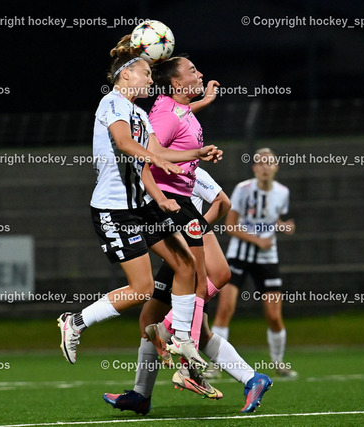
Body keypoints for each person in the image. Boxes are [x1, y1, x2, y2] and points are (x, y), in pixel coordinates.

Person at [59, 36, 220, 368]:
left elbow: (152, 157)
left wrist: (187, 163)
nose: (150, 79)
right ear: (126, 75)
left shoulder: (140, 115)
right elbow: (123, 142)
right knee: (142, 288)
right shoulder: (113, 103)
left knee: (186, 264)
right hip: (115, 210)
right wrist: (156, 160)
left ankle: (184, 341)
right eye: (146, 73)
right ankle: (75, 322)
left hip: (143, 207)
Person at [103, 167, 273, 415]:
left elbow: (223, 202)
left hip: (187, 255)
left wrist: (196, 228)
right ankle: (252, 378)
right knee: (181, 328)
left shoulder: (184, 169)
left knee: (156, 322)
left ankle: (146, 390)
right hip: (177, 257)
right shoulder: (151, 170)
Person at [211, 147, 297, 377]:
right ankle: (214, 364)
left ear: (276, 167)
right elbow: (230, 226)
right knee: (225, 309)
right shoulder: (242, 189)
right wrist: (257, 240)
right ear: (254, 168)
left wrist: (283, 226)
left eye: (269, 163)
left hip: (268, 258)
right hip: (239, 255)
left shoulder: (282, 192)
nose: (265, 167)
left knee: (274, 315)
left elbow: (271, 217)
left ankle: (278, 362)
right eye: (260, 163)